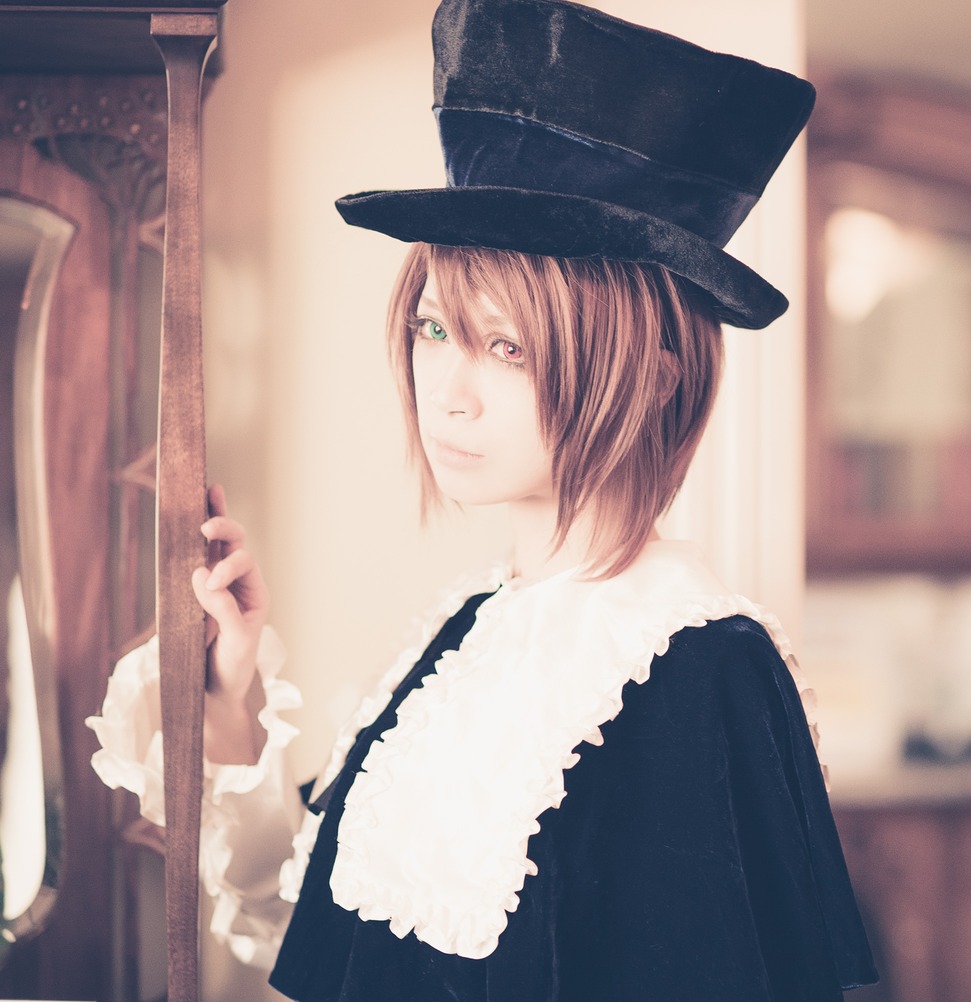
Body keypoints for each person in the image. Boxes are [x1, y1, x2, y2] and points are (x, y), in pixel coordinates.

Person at [86, 0, 878, 999]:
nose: (447, 391)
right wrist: (233, 697)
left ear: (654, 377)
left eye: (508, 347)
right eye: (432, 330)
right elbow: (324, 939)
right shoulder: (469, 629)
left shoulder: (705, 669)